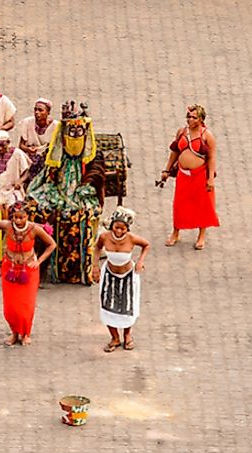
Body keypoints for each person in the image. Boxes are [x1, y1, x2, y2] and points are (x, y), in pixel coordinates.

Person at [27, 101, 106, 284]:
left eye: (79, 133)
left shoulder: (93, 156)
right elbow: (46, 178)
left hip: (83, 198)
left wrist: (83, 191)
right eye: (72, 132)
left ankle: (80, 269)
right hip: (56, 196)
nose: (76, 136)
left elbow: (96, 180)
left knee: (81, 218)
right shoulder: (55, 154)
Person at [0, 202, 56, 346]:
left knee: (26, 305)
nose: (18, 221)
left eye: (22, 217)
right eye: (15, 218)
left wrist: (39, 262)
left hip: (28, 271)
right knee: (10, 306)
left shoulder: (34, 229)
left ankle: (26, 333)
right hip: (9, 269)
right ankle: (14, 333)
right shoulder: (7, 226)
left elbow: (52, 245)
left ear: (27, 216)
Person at [160, 104, 219, 250]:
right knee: (179, 204)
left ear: (200, 119)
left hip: (199, 175)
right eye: (189, 117)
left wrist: (210, 178)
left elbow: (211, 158)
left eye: (194, 117)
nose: (190, 120)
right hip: (183, 175)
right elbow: (174, 152)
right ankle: (176, 232)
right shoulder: (182, 132)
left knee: (202, 205)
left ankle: (201, 235)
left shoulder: (207, 136)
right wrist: (166, 170)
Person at [91, 207, 150, 352]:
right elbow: (97, 248)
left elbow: (146, 245)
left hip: (128, 276)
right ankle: (115, 337)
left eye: (123, 229)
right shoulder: (104, 237)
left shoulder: (132, 238)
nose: (119, 231)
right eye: (117, 227)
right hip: (109, 275)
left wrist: (141, 261)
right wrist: (95, 266)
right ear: (112, 225)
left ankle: (127, 335)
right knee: (107, 306)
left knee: (127, 306)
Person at [18, 98, 57, 185]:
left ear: (48, 113)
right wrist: (28, 150)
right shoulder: (27, 122)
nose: (36, 112)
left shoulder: (55, 126)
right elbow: (21, 145)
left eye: (40, 110)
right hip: (30, 156)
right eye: (35, 109)